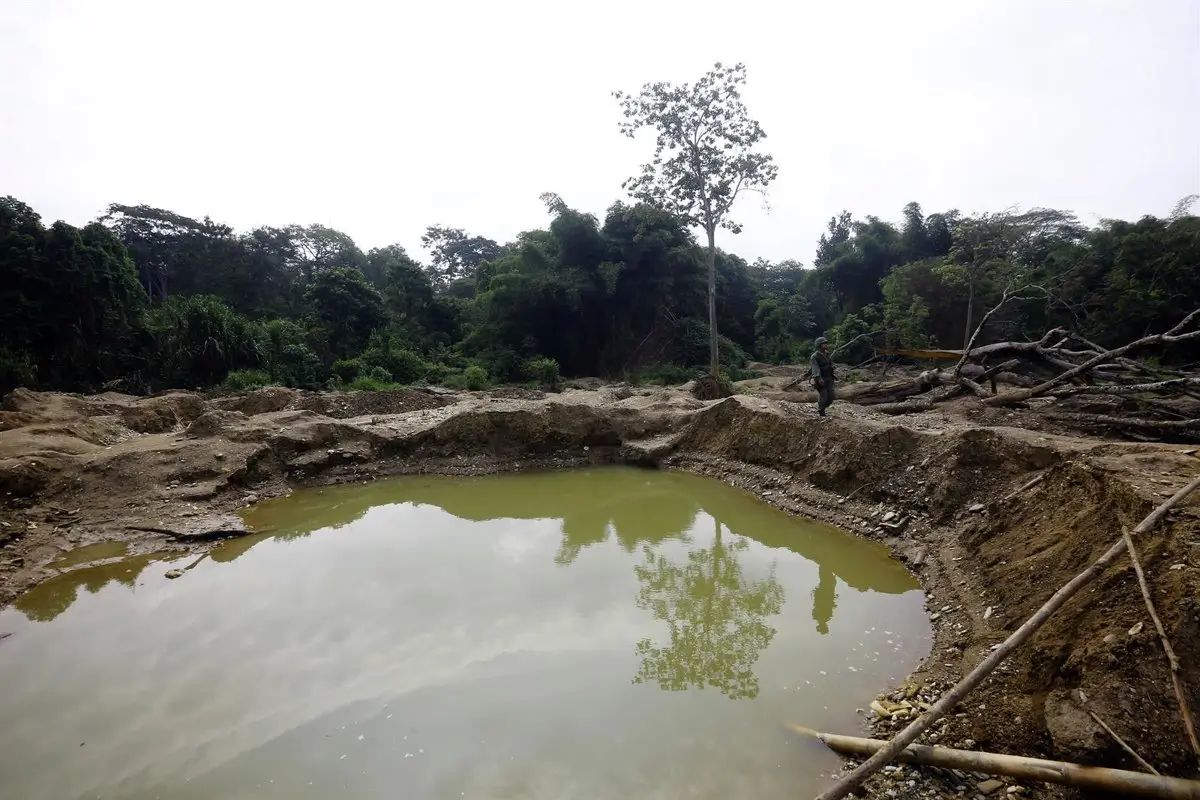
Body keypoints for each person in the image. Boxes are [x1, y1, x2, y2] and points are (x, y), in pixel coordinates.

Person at [810, 336, 836, 416]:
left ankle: (823, 407)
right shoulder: (814, 356)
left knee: (831, 396)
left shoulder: (827, 354)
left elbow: (830, 364)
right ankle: (821, 410)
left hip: (829, 377)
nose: (825, 345)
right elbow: (815, 368)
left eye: (825, 343)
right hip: (821, 379)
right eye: (823, 344)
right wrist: (818, 378)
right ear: (819, 345)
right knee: (824, 396)